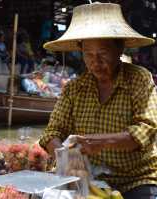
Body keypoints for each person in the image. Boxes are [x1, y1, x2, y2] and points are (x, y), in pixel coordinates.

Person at [39, 2, 157, 199]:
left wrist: (98, 142)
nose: (95, 62)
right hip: (92, 178)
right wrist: (66, 158)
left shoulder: (138, 78)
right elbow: (52, 133)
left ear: (119, 49)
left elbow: (145, 130)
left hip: (137, 179)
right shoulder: (74, 88)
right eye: (88, 55)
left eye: (102, 54)